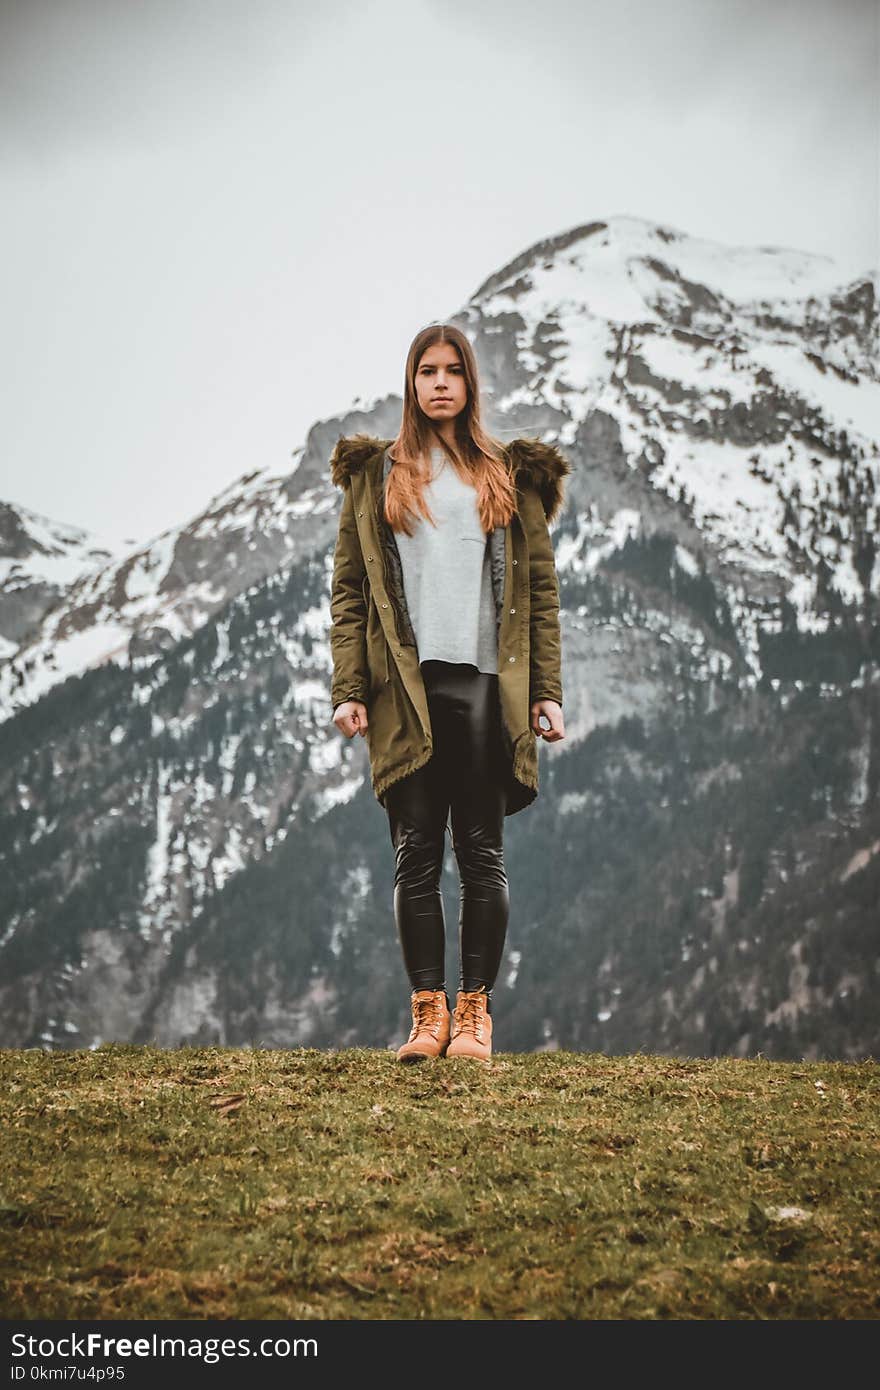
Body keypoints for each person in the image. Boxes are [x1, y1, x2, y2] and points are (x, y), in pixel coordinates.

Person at [329, 323, 570, 1063]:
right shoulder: (376, 478)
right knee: (415, 857)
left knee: (482, 855)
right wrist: (350, 688)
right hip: (404, 689)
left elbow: (538, 593)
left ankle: (474, 1017)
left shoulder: (506, 477)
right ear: (411, 382)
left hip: (489, 688)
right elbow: (348, 594)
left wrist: (547, 692)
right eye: (426, 371)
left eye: (452, 371)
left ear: (470, 384)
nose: (438, 383)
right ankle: (427, 1017)